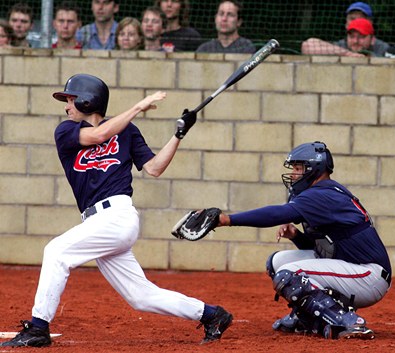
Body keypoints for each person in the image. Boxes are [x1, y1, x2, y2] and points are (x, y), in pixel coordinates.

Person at [0, 74, 233, 348]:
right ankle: (212, 314)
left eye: (71, 99)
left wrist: (178, 135)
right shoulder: (65, 131)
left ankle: (38, 327)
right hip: (96, 221)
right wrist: (138, 107)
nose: (67, 106)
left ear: (89, 100)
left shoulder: (128, 131)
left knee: (56, 251)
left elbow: (155, 168)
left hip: (118, 215)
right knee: (140, 296)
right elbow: (98, 134)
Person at [210, 141, 391, 339]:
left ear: (315, 169)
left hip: (368, 275)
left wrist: (227, 220)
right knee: (277, 262)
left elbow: (276, 214)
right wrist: (296, 236)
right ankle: (308, 318)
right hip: (349, 266)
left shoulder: (323, 194)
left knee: (289, 275)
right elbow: (322, 250)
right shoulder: (317, 193)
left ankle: (349, 322)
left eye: (298, 168)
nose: (294, 174)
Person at [301, 18, 389, 57]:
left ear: (372, 39)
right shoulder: (340, 47)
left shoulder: (382, 50)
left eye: (361, 37)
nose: (355, 41)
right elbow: (306, 46)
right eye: (351, 36)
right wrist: (348, 54)